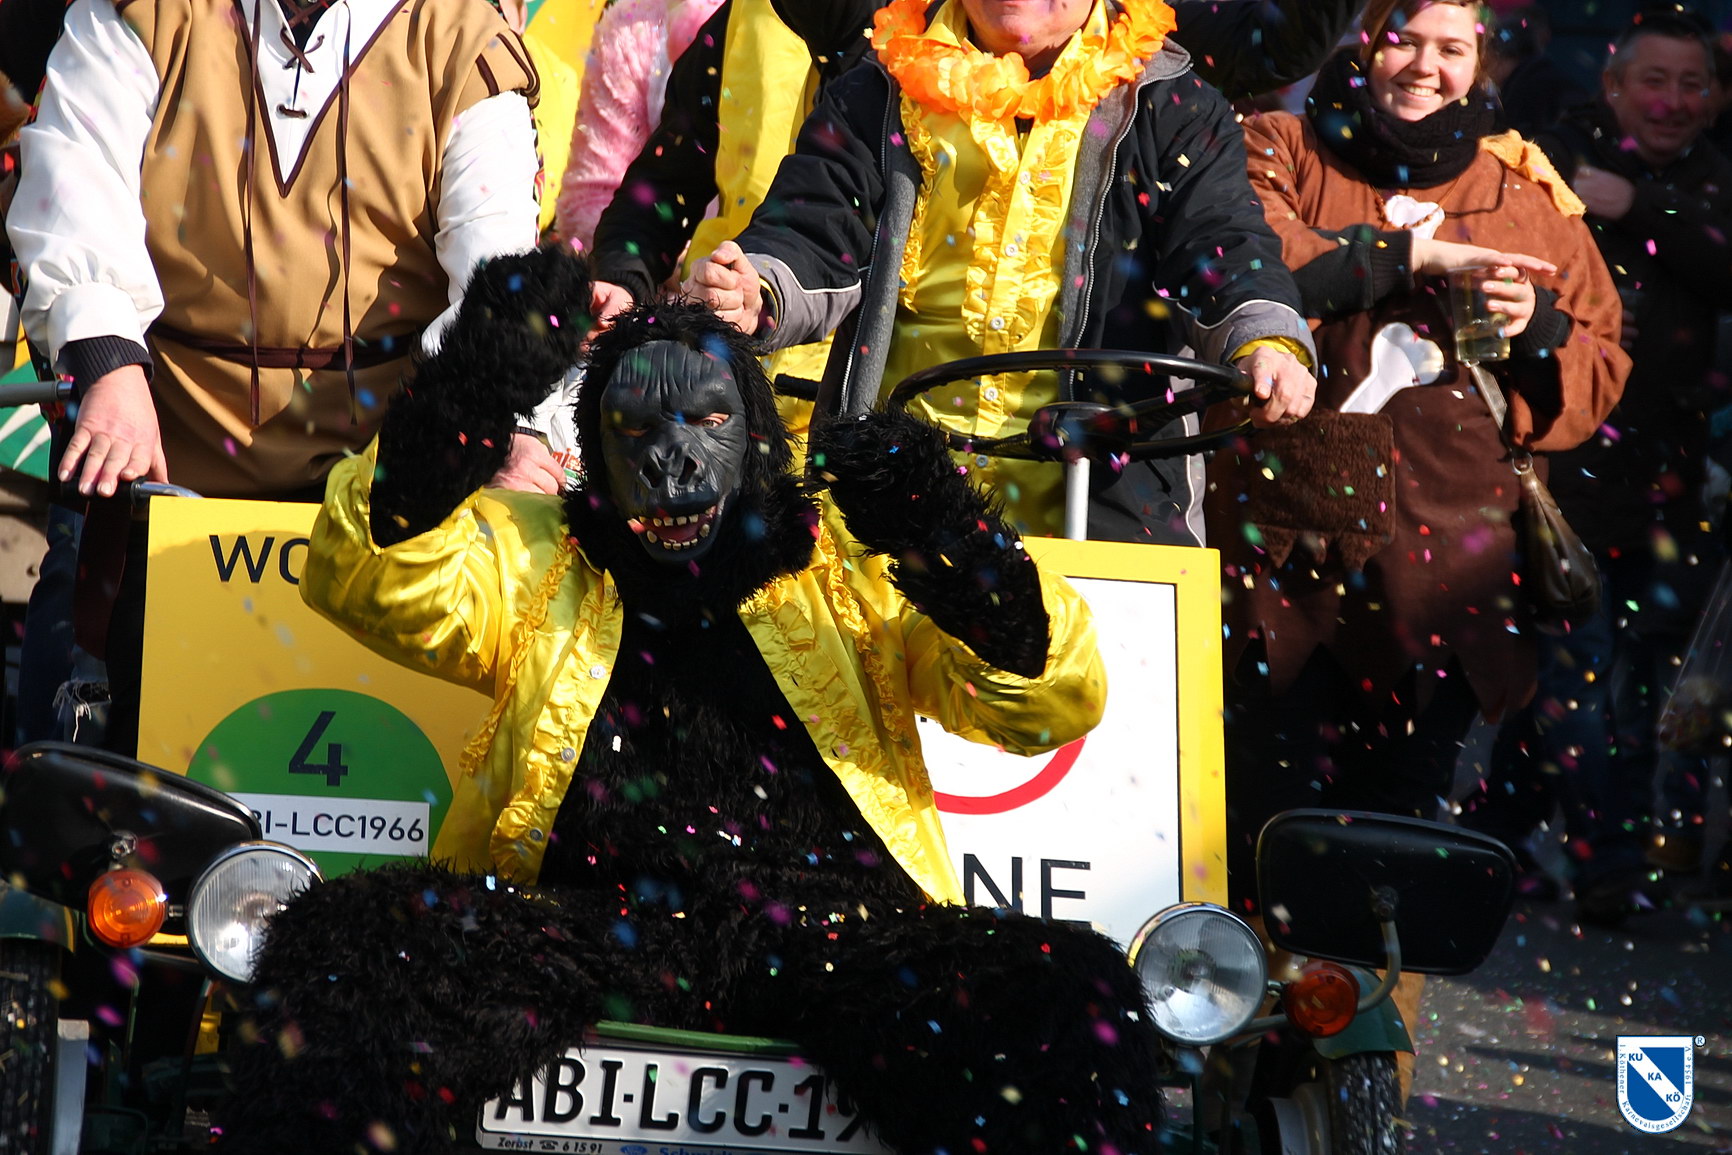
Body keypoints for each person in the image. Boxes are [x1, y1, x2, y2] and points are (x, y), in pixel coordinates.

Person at [215, 243, 1164, 1155]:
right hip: (593, 926)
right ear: (594, 449)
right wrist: (473, 385)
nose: (672, 463)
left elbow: (1047, 700)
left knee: (1063, 994)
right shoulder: (546, 550)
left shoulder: (844, 560)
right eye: (636, 431)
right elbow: (368, 570)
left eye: (706, 421)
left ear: (756, 437)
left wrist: (947, 532)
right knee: (352, 951)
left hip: (841, 934)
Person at [1216, 0, 1627, 1092]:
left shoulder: (1524, 188)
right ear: (1362, 38)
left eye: (1453, 48)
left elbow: (1601, 364)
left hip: (1451, 587)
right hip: (1284, 572)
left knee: (1396, 847)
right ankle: (1249, 1065)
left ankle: (1362, 1087)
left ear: (1482, 59)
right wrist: (1409, 256)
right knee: (1270, 831)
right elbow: (1249, 257)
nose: (1425, 67)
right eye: (1405, 37)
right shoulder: (1281, 143)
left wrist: (1539, 329)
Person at [6, 0, 552, 752]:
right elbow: (74, 181)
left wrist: (499, 423)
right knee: (68, 738)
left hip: (385, 497)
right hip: (158, 468)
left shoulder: (459, 37)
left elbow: (495, 272)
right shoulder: (144, 13)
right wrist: (108, 364)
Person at [687, 0, 1319, 543]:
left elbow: (1224, 248)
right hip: (891, 514)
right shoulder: (875, 91)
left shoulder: (1173, 103)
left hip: (1108, 515)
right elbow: (811, 230)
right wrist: (756, 288)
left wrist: (1266, 340)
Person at [1462, 7, 1732, 920]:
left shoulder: (1713, 178)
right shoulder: (1556, 159)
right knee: (1575, 668)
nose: (1673, 101)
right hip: (1562, 467)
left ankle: (1494, 840)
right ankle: (1610, 860)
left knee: (1638, 678)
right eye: (1654, 80)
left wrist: (1643, 207)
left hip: (1670, 477)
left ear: (1715, 99)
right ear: (1612, 85)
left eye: (1692, 85)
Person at [553, 0, 724, 249]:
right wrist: (649, 258)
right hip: (658, 259)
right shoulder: (631, 29)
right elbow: (593, 197)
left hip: (770, 254)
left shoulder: (784, 24)